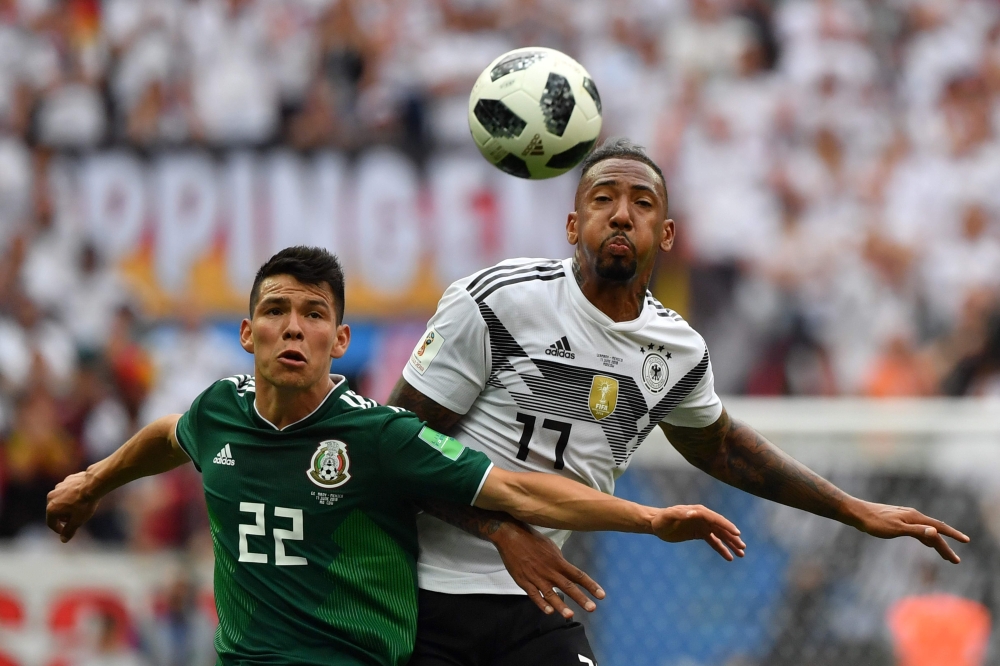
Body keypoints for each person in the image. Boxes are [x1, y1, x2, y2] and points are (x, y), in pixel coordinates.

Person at [386, 138, 970, 666]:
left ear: (665, 234)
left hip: (538, 604)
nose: (621, 213)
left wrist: (857, 510)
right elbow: (396, 448)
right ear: (572, 224)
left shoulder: (677, 350)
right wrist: (500, 531)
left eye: (642, 202)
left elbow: (725, 449)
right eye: (603, 199)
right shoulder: (497, 301)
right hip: (425, 591)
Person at [45, 246, 747, 666]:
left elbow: (519, 492)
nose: (294, 327)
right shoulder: (218, 412)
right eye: (278, 310)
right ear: (247, 331)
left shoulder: (377, 436)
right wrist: (91, 480)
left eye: (314, 314)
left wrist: (650, 519)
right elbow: (167, 435)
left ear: (340, 339)